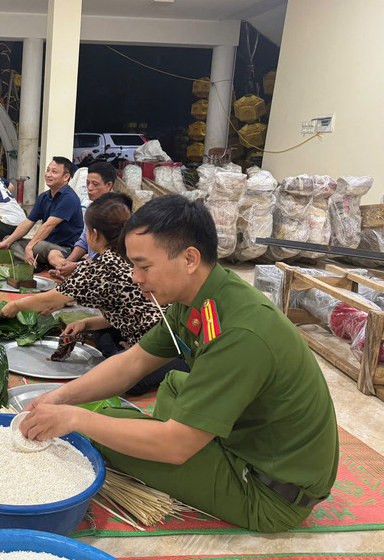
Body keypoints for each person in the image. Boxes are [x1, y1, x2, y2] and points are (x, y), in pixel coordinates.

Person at [20, 195, 339, 533]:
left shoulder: (241, 333)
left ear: (189, 259)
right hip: (253, 442)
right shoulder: (200, 297)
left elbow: (175, 446)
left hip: (266, 492)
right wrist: (60, 397)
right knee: (173, 383)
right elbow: (133, 362)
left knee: (96, 434)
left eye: (144, 266)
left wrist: (75, 417)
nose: (135, 277)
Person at [1, 193, 188, 395]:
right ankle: (122, 352)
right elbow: (126, 311)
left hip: (168, 344)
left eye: (87, 230)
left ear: (94, 234)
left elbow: (50, 299)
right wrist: (85, 324)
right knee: (99, 333)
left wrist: (14, 307)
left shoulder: (101, 267)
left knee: (121, 381)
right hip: (151, 327)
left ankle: (129, 357)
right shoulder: (127, 254)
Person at [0, 156, 83, 267]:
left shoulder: (69, 198)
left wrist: (29, 246)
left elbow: (48, 225)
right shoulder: (44, 197)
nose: (48, 174)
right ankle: (33, 265)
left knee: (35, 246)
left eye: (54, 172)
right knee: (8, 239)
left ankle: (30, 265)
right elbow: (28, 222)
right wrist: (7, 242)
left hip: (64, 248)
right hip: (45, 244)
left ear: (66, 177)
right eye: (48, 170)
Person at [47, 162, 117, 278]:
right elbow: (83, 241)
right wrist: (67, 263)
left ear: (108, 185)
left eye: (95, 184)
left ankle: (73, 275)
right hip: (88, 261)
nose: (89, 188)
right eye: (88, 183)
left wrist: (76, 266)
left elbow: (108, 258)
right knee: (53, 254)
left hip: (102, 266)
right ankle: (67, 273)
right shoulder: (91, 208)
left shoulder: (114, 212)